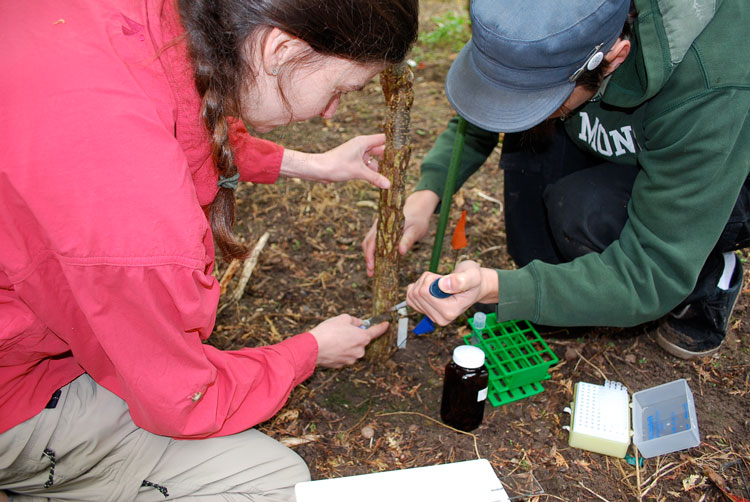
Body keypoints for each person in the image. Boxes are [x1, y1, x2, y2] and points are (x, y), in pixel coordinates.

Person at [0, 0, 417, 500]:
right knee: (271, 482)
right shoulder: (136, 212)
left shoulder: (148, 26)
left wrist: (312, 164)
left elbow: (184, 108)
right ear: (281, 48)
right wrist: (306, 353)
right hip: (15, 391)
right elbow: (181, 398)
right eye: (340, 90)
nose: (332, 113)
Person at [364, 0, 749, 360]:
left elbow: (647, 275)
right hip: (624, 132)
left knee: (588, 213)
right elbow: (490, 109)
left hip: (724, 172)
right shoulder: (538, 18)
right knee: (542, 254)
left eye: (550, 100)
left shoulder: (711, 81)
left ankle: (709, 276)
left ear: (614, 58)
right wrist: (426, 194)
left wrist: (500, 287)